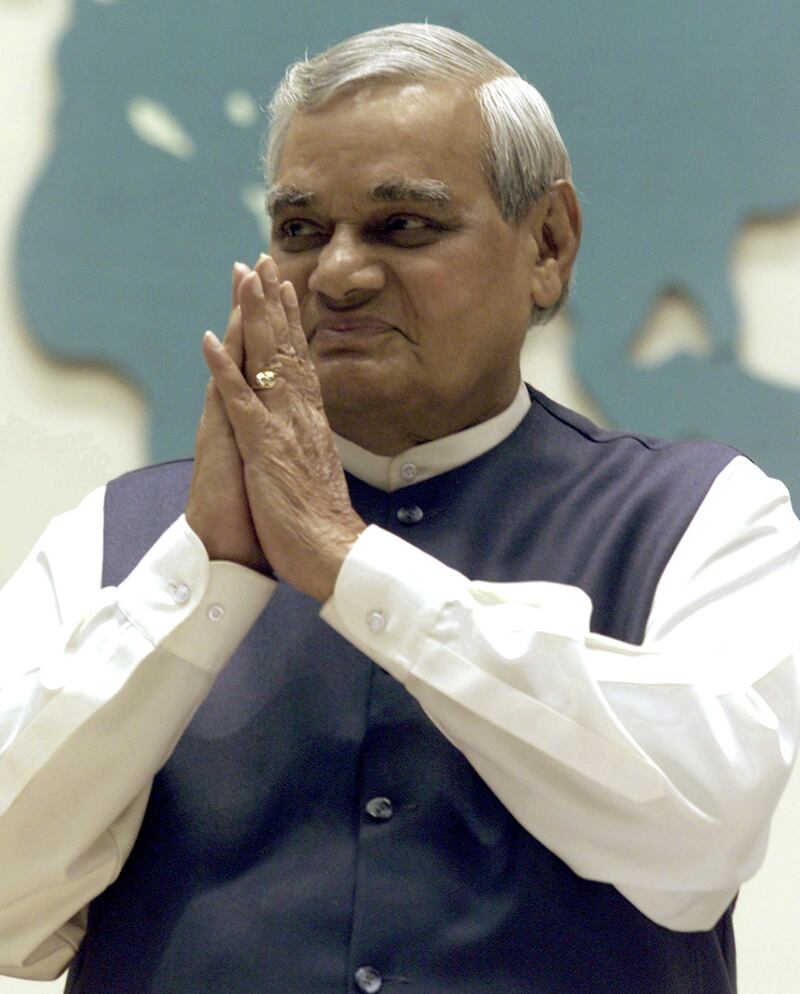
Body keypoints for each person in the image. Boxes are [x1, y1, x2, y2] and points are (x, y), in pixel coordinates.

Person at [1, 22, 798, 994]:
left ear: (546, 245)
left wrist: (352, 566)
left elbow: (699, 836)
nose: (337, 274)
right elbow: (12, 911)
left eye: (403, 226)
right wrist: (201, 576)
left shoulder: (702, 516)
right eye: (298, 230)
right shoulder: (113, 538)